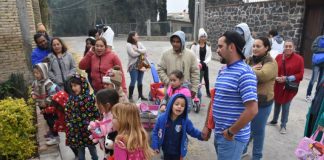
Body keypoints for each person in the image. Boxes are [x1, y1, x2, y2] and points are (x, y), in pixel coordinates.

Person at [202, 31, 258, 160]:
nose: (218, 50)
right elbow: (215, 99)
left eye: (221, 46)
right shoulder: (223, 70)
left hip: (232, 138)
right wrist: (207, 126)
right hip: (221, 134)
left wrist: (231, 131)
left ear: (231, 47)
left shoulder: (245, 73)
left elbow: (252, 109)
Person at [243, 37, 278, 159]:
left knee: (258, 130)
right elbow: (241, 71)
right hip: (248, 100)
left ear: (266, 47)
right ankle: (244, 150)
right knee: (247, 127)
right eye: (253, 46)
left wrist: (247, 70)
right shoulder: (249, 60)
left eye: (258, 46)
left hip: (263, 102)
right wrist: (251, 69)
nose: (255, 48)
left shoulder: (271, 62)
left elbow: (263, 75)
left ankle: (257, 156)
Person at [152, 93, 204, 159]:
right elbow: (155, 132)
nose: (179, 106)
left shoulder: (185, 121)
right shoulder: (162, 119)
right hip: (165, 150)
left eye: (182, 106)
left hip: (179, 152)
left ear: (185, 108)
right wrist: (155, 145)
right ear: (171, 105)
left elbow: (192, 131)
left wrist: (201, 135)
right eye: (177, 104)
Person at [268, 40, 304, 134]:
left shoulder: (299, 59)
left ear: (294, 48)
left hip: (289, 87)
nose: (288, 48)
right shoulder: (279, 57)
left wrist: (287, 78)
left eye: (290, 46)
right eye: (286, 46)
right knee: (277, 103)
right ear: (283, 47)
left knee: (286, 106)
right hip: (278, 85)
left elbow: (300, 74)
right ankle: (274, 120)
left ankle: (283, 125)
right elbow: (273, 69)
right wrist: (276, 77)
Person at [65, 74, 100, 160]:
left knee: (92, 150)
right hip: (77, 131)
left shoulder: (90, 98)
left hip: (89, 130)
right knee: (81, 151)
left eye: (75, 85)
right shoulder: (71, 99)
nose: (73, 88)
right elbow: (68, 113)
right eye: (72, 86)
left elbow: (96, 112)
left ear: (82, 85)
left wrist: (97, 124)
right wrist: (69, 124)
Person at [157, 31, 199, 98]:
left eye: (178, 42)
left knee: (185, 108)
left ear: (182, 42)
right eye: (173, 41)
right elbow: (160, 69)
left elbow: (195, 72)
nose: (175, 44)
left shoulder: (190, 54)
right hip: (170, 91)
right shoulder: (166, 54)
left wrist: (194, 89)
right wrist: (168, 82)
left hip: (185, 91)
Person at [31, 63, 60, 145]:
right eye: (35, 73)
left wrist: (46, 102)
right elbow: (33, 89)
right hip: (41, 106)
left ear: (43, 72)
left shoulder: (48, 83)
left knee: (51, 121)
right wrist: (33, 94)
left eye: (38, 73)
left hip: (49, 106)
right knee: (47, 120)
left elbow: (53, 95)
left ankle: (56, 137)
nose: (36, 75)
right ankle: (53, 134)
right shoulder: (35, 82)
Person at [95, 89, 120, 159]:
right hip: (107, 151)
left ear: (107, 105)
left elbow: (109, 136)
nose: (96, 105)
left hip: (113, 154)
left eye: (98, 103)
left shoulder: (114, 119)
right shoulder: (105, 114)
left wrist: (97, 130)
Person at [126, 31, 149, 101]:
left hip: (141, 64)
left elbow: (145, 50)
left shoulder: (139, 43)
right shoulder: (128, 45)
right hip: (133, 65)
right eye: (137, 35)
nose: (138, 36)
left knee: (140, 81)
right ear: (133, 37)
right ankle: (130, 96)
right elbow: (132, 54)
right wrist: (141, 52)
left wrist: (137, 50)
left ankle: (141, 95)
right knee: (133, 80)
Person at [191, 28, 212, 97]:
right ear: (199, 38)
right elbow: (192, 54)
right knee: (197, 80)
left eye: (204, 36)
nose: (203, 38)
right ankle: (196, 92)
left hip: (205, 65)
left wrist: (205, 62)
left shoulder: (208, 45)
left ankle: (208, 92)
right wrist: (199, 62)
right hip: (197, 65)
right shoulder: (194, 45)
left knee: (206, 79)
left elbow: (209, 55)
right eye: (201, 36)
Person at [306, 35, 324, 102]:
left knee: (320, 82)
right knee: (313, 79)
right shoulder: (319, 38)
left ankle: (316, 97)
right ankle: (308, 95)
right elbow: (313, 48)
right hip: (317, 63)